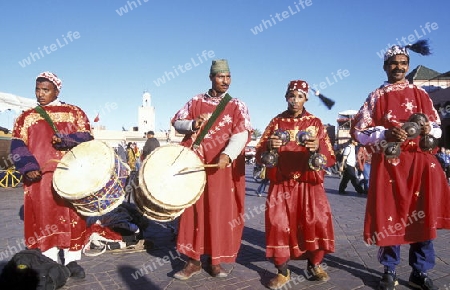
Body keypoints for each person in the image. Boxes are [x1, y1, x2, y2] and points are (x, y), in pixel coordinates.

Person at [352, 42, 450, 290]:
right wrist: (385, 133)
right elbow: (359, 131)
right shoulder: (376, 96)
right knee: (390, 216)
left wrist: (429, 129)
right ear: (385, 66)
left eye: (403, 63)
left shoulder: (421, 94)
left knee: (422, 214)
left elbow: (437, 127)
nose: (399, 67)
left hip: (420, 163)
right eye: (394, 63)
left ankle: (419, 271)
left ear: (407, 66)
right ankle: (389, 270)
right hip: (391, 164)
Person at [170, 59, 251, 279]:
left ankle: (216, 261)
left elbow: (242, 133)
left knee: (220, 212)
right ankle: (193, 260)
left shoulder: (237, 105)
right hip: (196, 167)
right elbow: (177, 121)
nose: (225, 81)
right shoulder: (195, 101)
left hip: (222, 169)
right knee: (194, 212)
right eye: (220, 77)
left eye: (228, 77)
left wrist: (228, 154)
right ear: (211, 78)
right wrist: (192, 124)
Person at [10, 71, 94, 278]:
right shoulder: (25, 117)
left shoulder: (75, 112)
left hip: (71, 175)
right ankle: (50, 260)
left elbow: (87, 137)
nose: (40, 94)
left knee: (73, 214)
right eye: (37, 90)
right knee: (45, 216)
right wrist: (28, 167)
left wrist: (65, 139)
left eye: (45, 90)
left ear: (57, 90)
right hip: (41, 178)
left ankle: (73, 261)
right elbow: (18, 145)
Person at [255, 80, 336, 289]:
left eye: (300, 96)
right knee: (279, 224)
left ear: (306, 98)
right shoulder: (276, 122)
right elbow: (259, 151)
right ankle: (282, 270)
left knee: (315, 222)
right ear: (286, 97)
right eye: (292, 95)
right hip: (282, 183)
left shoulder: (316, 122)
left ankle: (314, 264)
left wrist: (317, 147)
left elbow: (329, 154)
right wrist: (269, 146)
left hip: (309, 183)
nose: (295, 100)